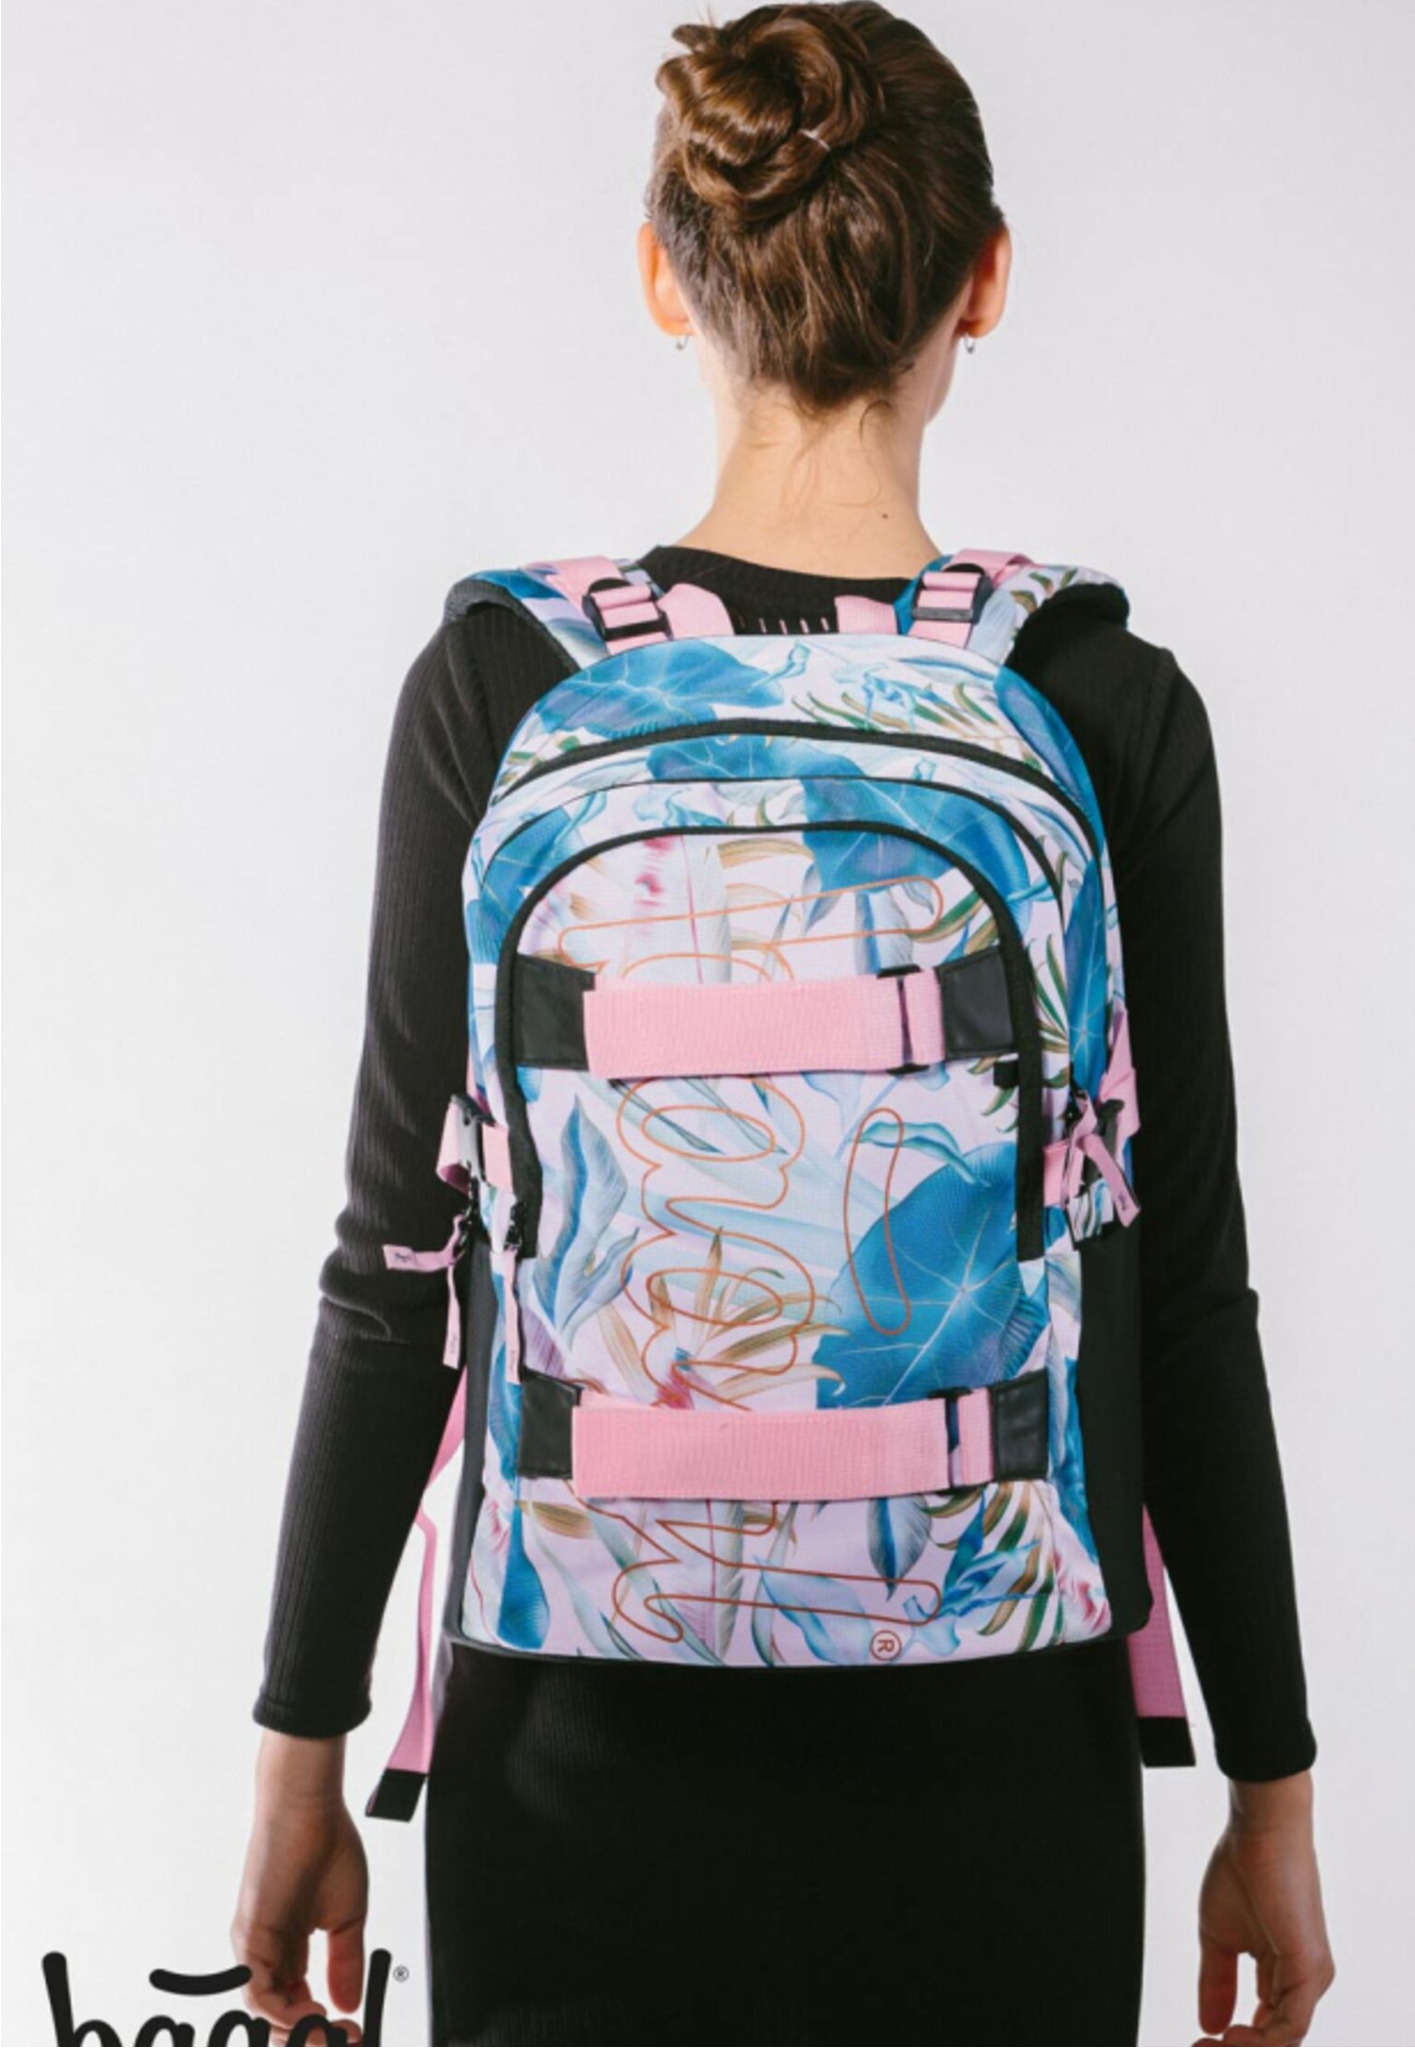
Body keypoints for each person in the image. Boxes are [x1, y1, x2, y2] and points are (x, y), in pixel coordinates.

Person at [231, 6, 1334, 2043]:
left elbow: (396, 1266)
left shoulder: (501, 688)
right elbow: (1186, 1293)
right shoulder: (1101, 701)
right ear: (984, 280)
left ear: (668, 276)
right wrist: (1271, 1786)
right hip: (1004, 1750)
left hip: (569, 1745)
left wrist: (302, 1748)